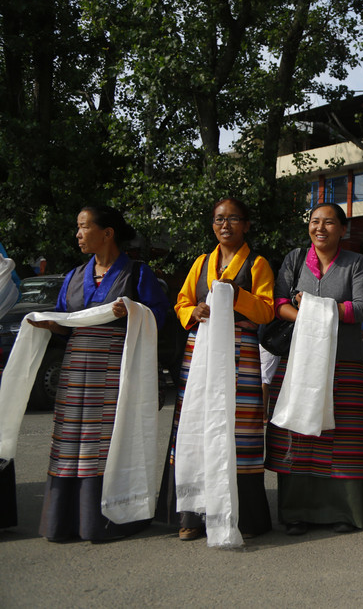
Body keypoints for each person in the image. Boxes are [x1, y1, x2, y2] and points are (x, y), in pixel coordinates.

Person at [29, 206, 168, 541]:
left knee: (107, 441)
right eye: (78, 228)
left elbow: (159, 319)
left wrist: (133, 311)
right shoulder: (75, 275)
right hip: (76, 369)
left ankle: (107, 519)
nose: (78, 234)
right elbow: (65, 322)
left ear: (107, 233)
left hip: (115, 370)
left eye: (84, 227)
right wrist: (49, 324)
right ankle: (65, 521)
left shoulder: (137, 273)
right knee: (70, 441)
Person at [156, 198, 275, 541]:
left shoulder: (257, 263)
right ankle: (192, 516)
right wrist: (192, 313)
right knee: (195, 423)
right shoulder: (201, 262)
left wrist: (237, 294)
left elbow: (266, 311)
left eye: (234, 219)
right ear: (212, 225)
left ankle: (243, 518)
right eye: (220, 219)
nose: (226, 225)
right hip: (201, 350)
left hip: (241, 351)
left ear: (247, 225)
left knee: (239, 429)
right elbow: (181, 301)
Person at [265, 203, 363, 536]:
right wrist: (309, 318)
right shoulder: (295, 259)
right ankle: (297, 512)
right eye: (314, 221)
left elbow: (360, 309)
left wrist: (314, 309)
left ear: (343, 229)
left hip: (344, 362)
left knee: (344, 438)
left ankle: (347, 511)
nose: (320, 228)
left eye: (329, 222)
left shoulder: (355, 263)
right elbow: (278, 304)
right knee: (298, 434)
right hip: (298, 361)